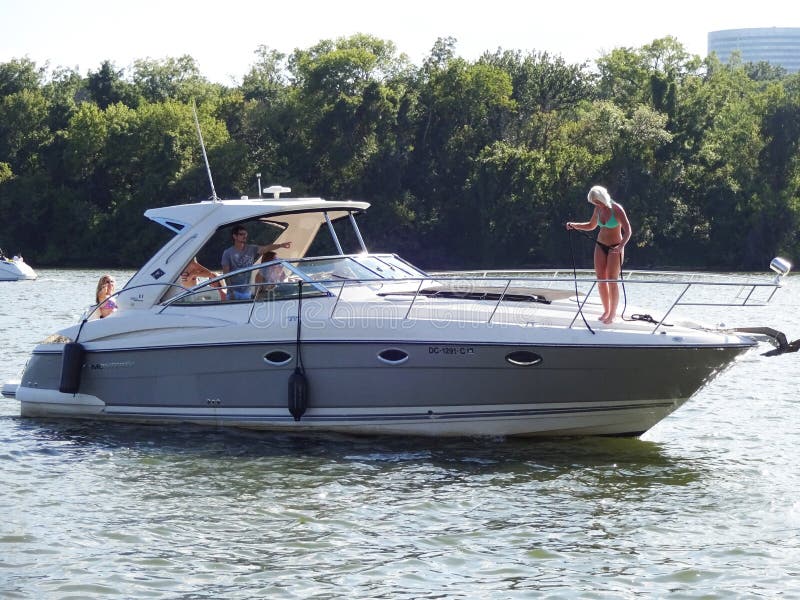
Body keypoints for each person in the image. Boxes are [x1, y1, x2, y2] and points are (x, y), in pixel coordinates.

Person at [566, 185, 632, 324]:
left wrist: (620, 246)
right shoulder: (598, 209)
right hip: (600, 245)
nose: (596, 205)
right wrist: (574, 225)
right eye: (594, 203)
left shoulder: (617, 209)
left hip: (615, 247)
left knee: (612, 280)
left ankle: (613, 314)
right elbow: (591, 225)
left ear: (602, 198)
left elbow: (628, 231)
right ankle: (606, 310)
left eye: (597, 202)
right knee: (601, 280)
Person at [221, 225, 291, 300]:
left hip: (246, 292)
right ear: (234, 236)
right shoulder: (227, 253)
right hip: (233, 292)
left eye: (246, 234)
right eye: (241, 234)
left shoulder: (251, 249)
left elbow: (266, 248)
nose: (244, 236)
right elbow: (226, 274)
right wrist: (231, 292)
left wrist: (280, 245)